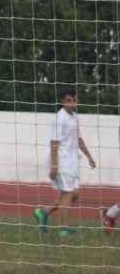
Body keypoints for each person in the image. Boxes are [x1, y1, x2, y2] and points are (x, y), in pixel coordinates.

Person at [32, 87, 96, 238]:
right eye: (68, 100)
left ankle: (43, 211)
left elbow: (78, 139)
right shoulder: (60, 118)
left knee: (74, 194)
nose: (72, 103)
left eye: (74, 100)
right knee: (67, 194)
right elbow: (54, 142)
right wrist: (54, 166)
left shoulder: (74, 116)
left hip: (72, 161)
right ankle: (64, 229)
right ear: (62, 101)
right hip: (62, 161)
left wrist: (89, 156)